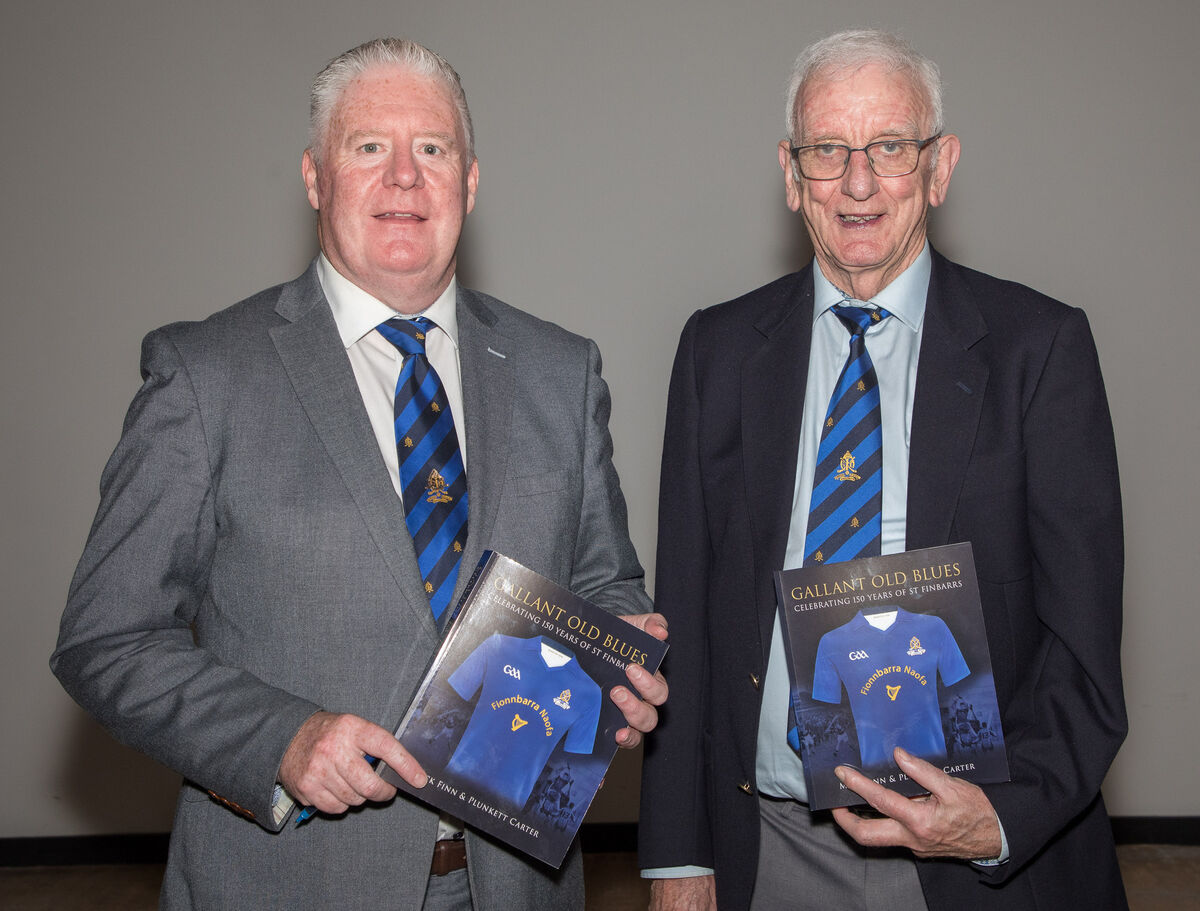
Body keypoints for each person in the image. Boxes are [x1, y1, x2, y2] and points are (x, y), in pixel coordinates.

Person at [51, 37, 667, 911]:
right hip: (291, 881)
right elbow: (105, 640)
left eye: (433, 149)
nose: (405, 178)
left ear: (472, 182)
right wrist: (283, 740)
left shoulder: (559, 371)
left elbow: (604, 579)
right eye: (368, 147)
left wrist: (618, 659)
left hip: (515, 885)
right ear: (314, 178)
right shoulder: (205, 375)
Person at [638, 28, 1125, 911]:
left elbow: (1084, 651)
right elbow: (689, 617)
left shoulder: (1038, 350)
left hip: (974, 864)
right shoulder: (716, 351)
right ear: (791, 175)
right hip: (773, 848)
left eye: (889, 147)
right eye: (829, 149)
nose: (858, 182)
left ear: (938, 168)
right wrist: (678, 856)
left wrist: (997, 820)